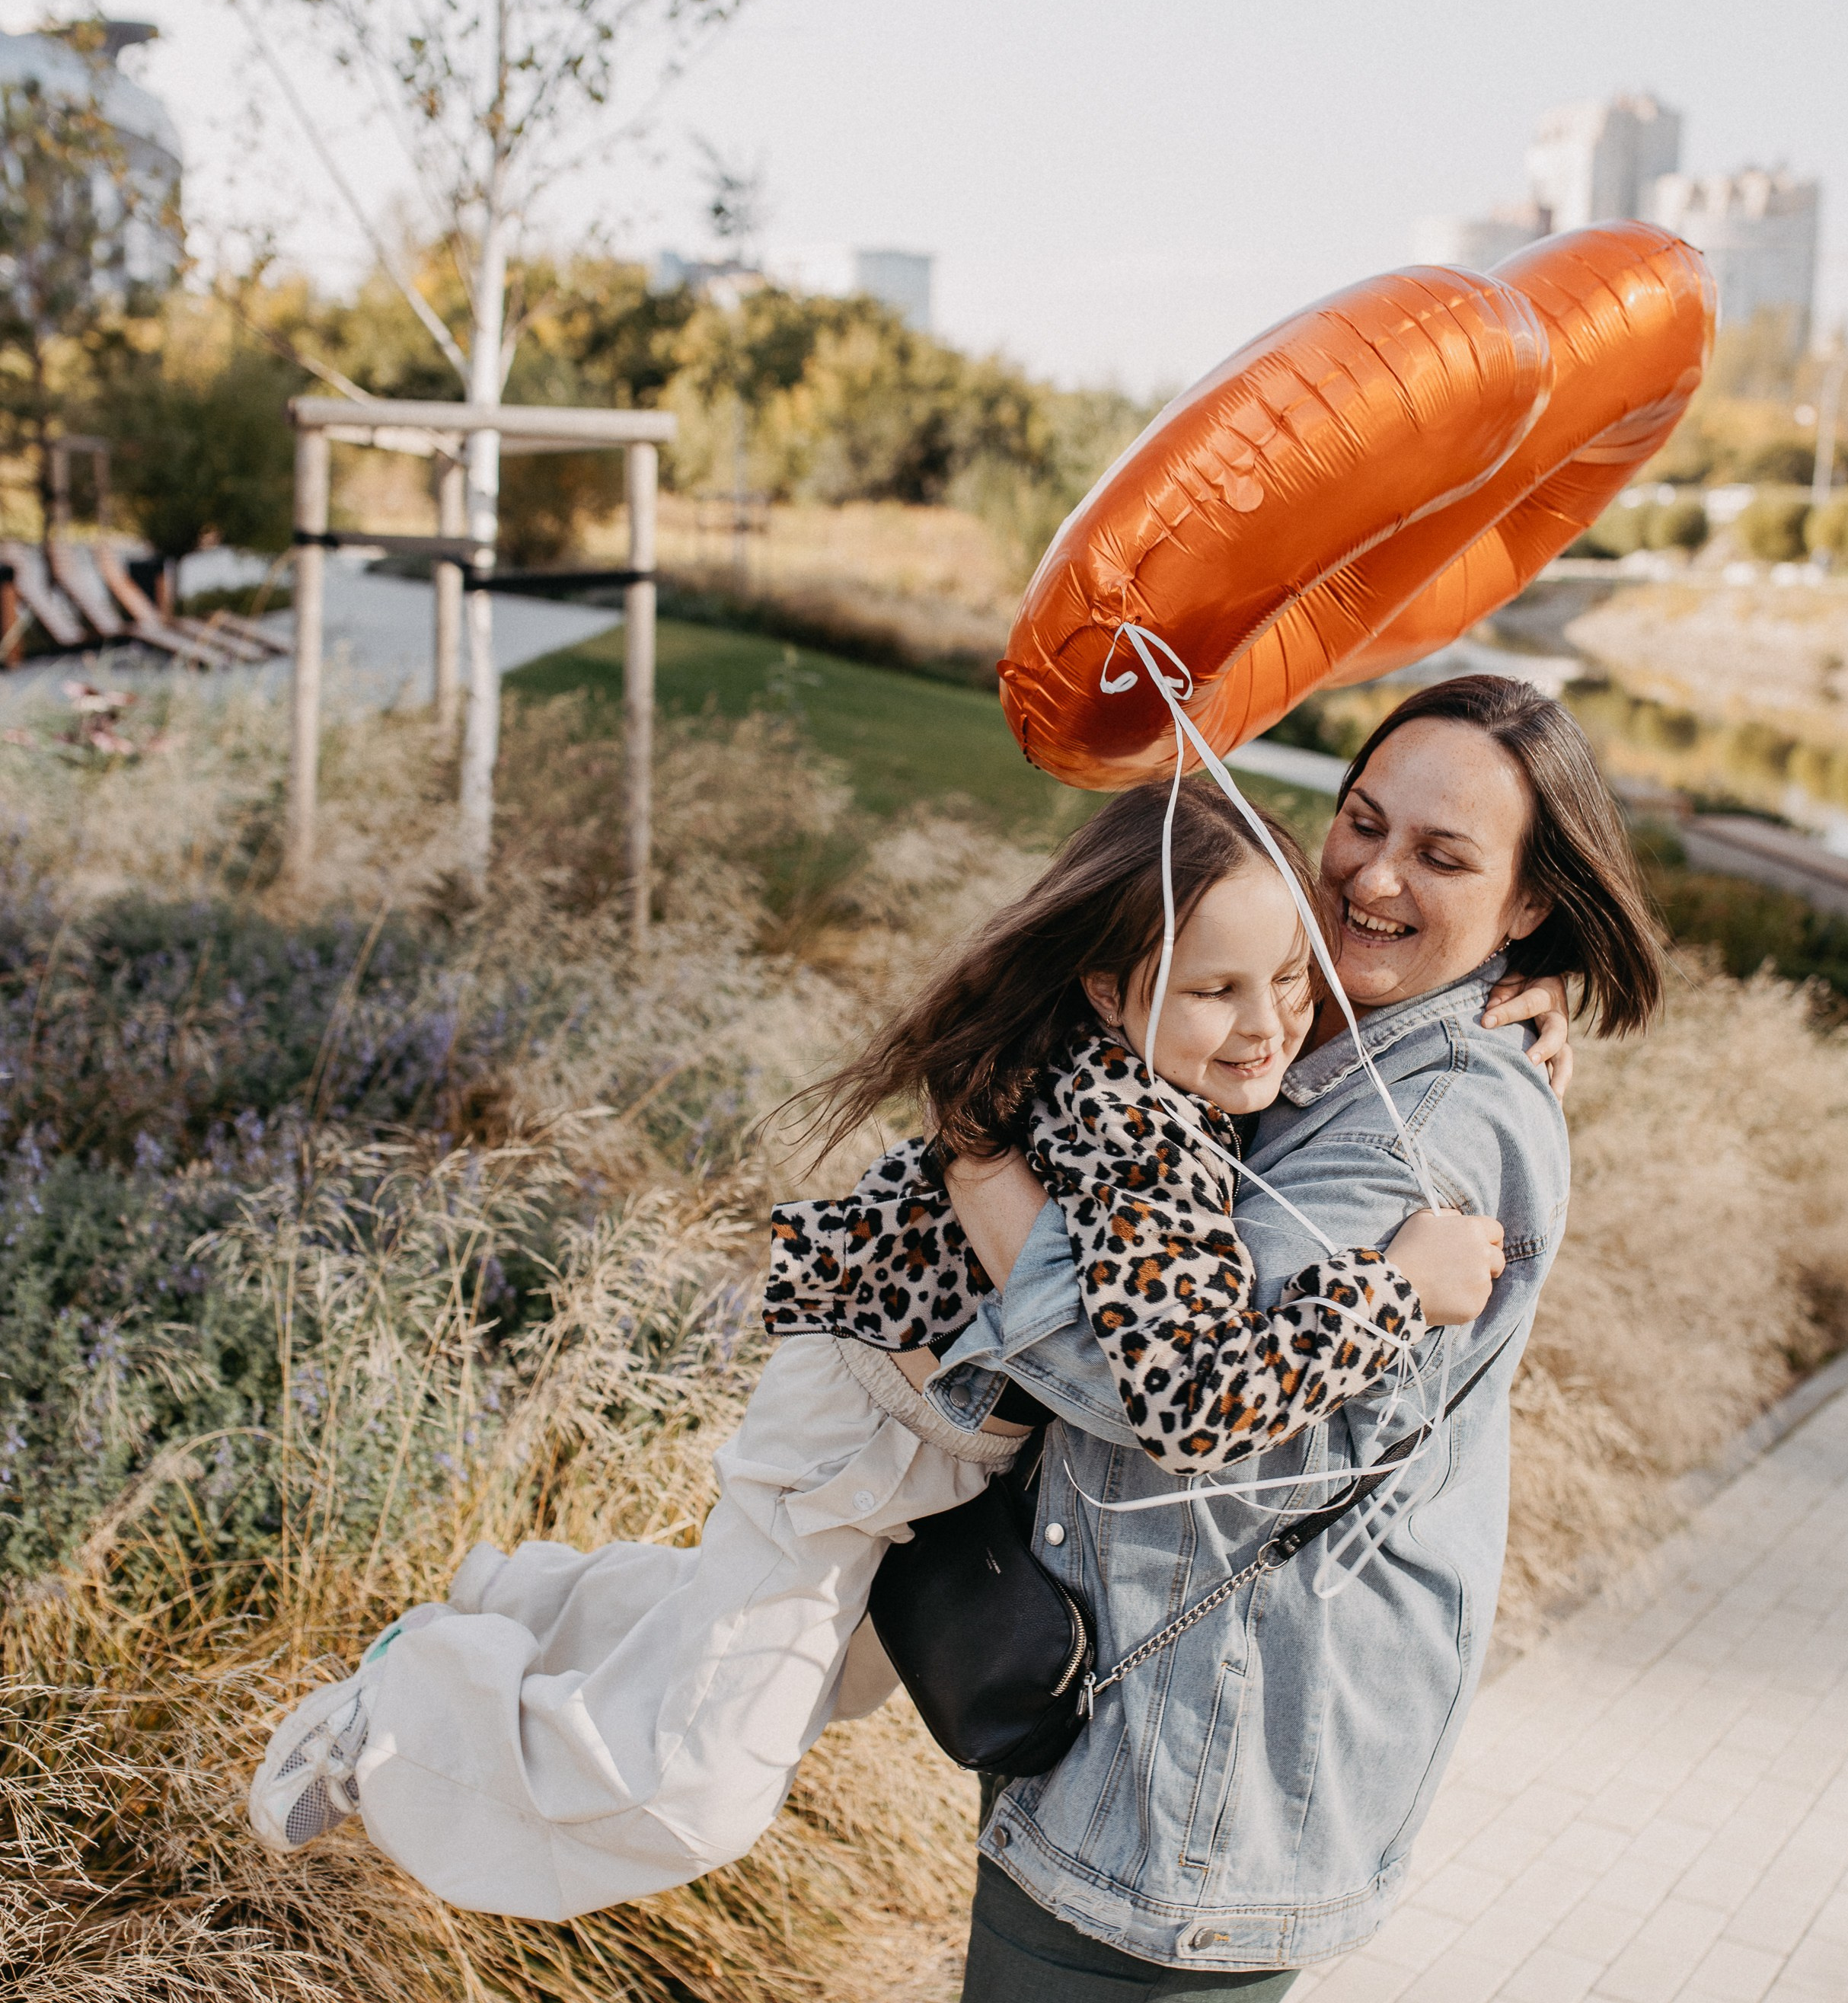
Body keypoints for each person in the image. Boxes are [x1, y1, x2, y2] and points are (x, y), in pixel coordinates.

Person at [245, 788, 1506, 1912]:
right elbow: (1188, 1399)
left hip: (899, 1428)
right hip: (865, 1429)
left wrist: (1517, 994)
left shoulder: (1163, 1073)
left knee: (793, 1670)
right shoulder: (1138, 1137)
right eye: (1215, 990)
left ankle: (521, 1603)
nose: (1269, 1026)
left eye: (1290, 978)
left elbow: (1323, 1042)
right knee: (697, 1785)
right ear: (1111, 994)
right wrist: (1397, 1287)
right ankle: (399, 1715)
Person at [897, 674, 1663, 2003]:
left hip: (1191, 1777)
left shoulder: (1444, 1112)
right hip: (1218, 1761)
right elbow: (1166, 1058)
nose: (1371, 874)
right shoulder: (1367, 1038)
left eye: (1443, 854)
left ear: (1529, 898)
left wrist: (982, 1177)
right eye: (1365, 820)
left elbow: (1187, 1402)